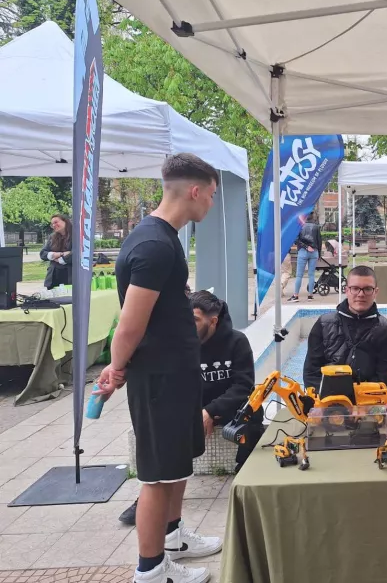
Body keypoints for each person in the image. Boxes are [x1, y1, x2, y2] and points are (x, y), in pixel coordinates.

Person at [96, 153, 222, 583]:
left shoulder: (164, 239)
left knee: (177, 465)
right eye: (211, 195)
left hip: (176, 374)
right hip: (160, 380)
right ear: (195, 191)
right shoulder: (153, 245)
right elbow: (130, 323)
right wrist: (116, 368)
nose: (211, 203)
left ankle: (173, 537)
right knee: (156, 475)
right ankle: (150, 570)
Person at [118, 290, 261, 526]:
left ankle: (246, 477)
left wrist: (211, 411)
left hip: (226, 407)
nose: (188, 324)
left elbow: (243, 386)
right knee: (165, 427)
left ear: (213, 321)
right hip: (190, 406)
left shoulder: (237, 342)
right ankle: (151, 495)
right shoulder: (180, 344)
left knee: (253, 413)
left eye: (194, 319)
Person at [303, 265, 387, 392]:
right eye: (355, 288)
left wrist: (359, 396)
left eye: (367, 289)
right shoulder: (324, 324)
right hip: (327, 398)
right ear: (346, 290)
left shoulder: (384, 329)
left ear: (376, 292)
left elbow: (384, 376)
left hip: (368, 399)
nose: (361, 294)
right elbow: (311, 373)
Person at [289, 213, 323, 302]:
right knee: (311, 275)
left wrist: (306, 247)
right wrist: (319, 253)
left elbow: (296, 240)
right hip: (314, 252)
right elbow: (319, 241)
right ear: (312, 218)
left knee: (299, 275)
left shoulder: (300, 226)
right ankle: (310, 295)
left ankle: (296, 296)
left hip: (303, 251)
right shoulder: (316, 227)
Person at [39, 214, 72, 289]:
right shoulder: (52, 237)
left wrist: (60, 259)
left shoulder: (76, 235)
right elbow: (42, 253)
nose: (54, 225)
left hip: (70, 275)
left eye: (56, 222)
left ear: (65, 221)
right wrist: (59, 254)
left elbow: (76, 253)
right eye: (52, 224)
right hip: (53, 275)